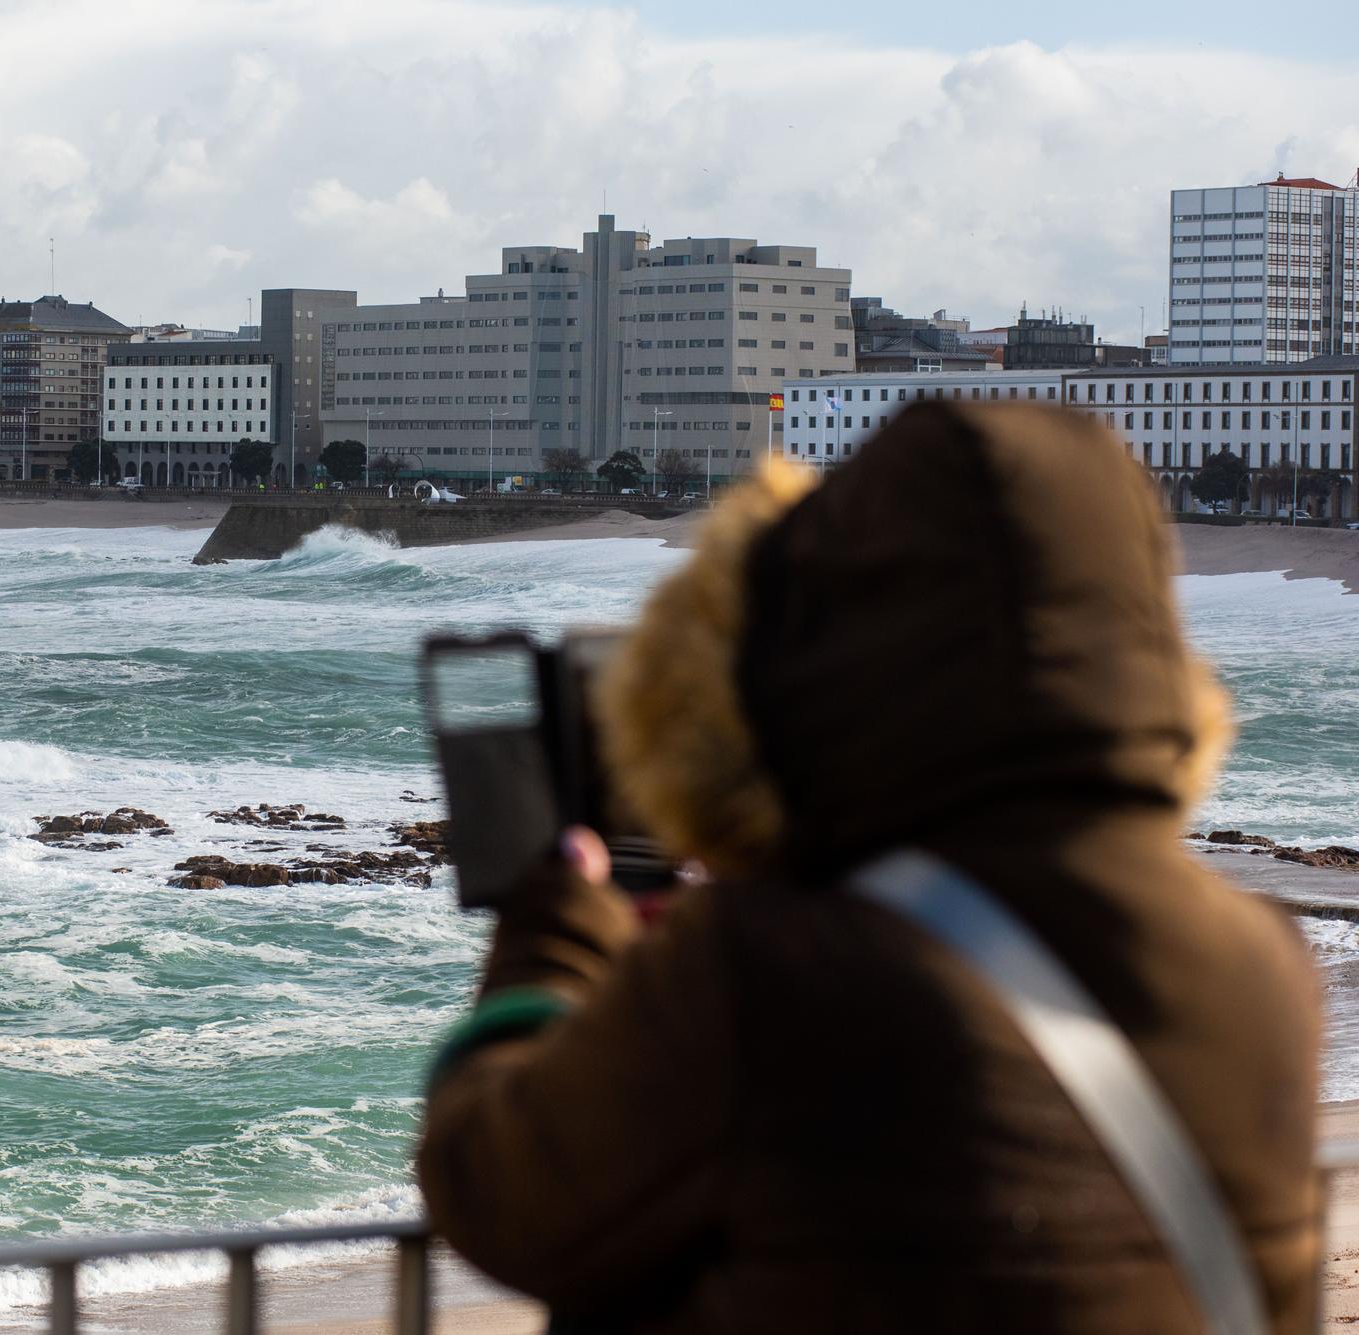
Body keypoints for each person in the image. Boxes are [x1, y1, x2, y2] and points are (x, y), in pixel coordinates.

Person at [417, 401, 1322, 1331]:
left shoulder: (769, 966)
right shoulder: (1262, 964)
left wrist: (555, 937)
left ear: (832, 655)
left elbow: (499, 1192)